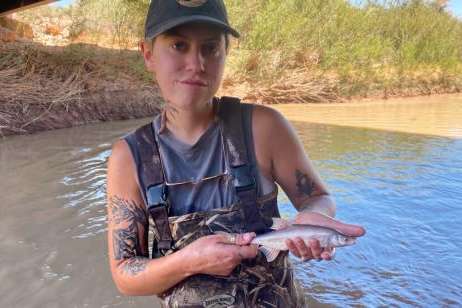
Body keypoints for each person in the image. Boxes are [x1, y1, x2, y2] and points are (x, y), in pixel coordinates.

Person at [106, 0, 366, 307]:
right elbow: (125, 274)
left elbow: (317, 197)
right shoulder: (128, 158)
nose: (196, 63)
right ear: (148, 54)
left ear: (225, 54)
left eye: (210, 47)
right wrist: (190, 261)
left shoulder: (265, 127)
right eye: (178, 45)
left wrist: (314, 219)